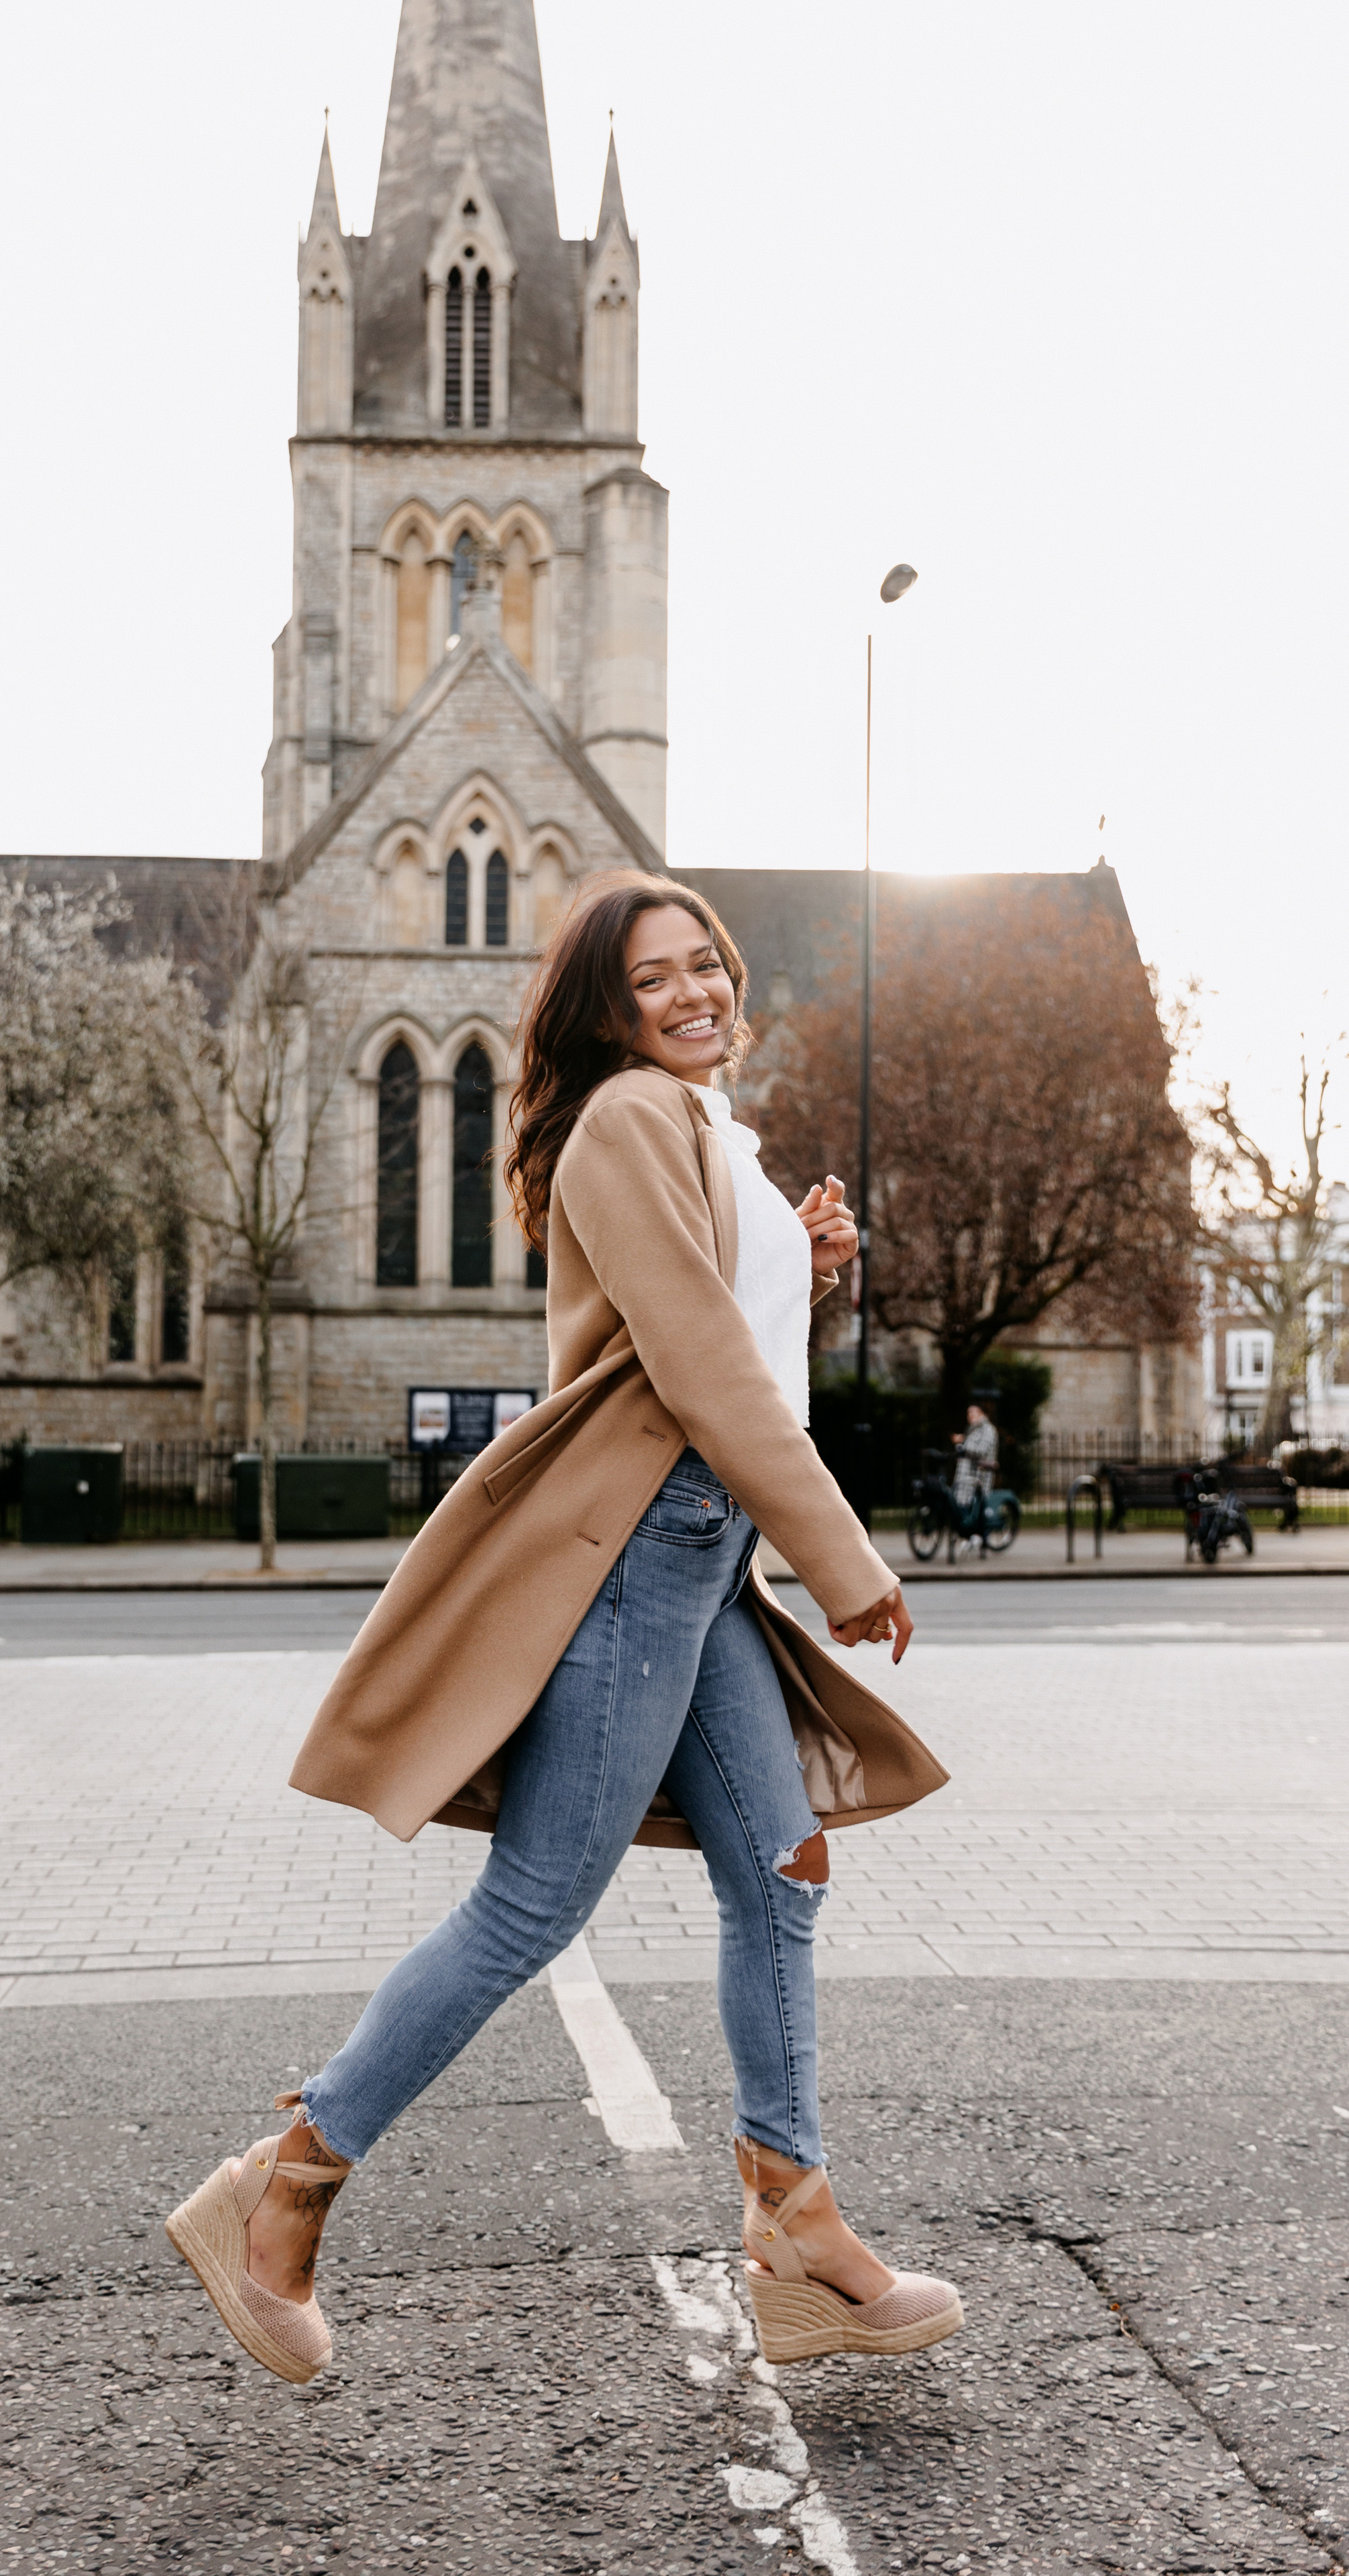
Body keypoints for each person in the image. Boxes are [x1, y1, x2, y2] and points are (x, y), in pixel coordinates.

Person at [166, 874, 963, 2385]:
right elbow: (696, 1365)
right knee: (533, 1908)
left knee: (781, 1865)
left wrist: (803, 1259)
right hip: (644, 1551)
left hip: (700, 1558)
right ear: (607, 1009)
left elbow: (722, 1329)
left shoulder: (697, 1126)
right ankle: (280, 2189)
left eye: (704, 966)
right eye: (654, 978)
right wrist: (841, 1558)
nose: (692, 992)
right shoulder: (626, 1117)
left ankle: (794, 2230)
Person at [951, 1405, 999, 1517]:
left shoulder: (988, 1429)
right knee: (963, 1504)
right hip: (967, 1474)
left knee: (977, 1504)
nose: (970, 1416)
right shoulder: (972, 1430)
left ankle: (981, 1532)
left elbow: (982, 1451)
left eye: (974, 1412)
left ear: (982, 1413)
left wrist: (963, 1444)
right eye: (969, 1413)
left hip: (980, 1474)